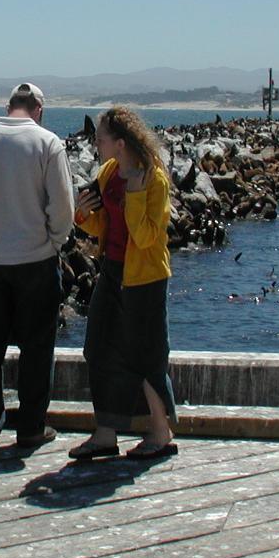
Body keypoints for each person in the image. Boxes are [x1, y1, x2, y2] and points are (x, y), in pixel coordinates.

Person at [0, 82, 74, 449]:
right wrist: (52, 242)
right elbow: (63, 207)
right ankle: (31, 427)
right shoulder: (47, 143)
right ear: (39, 110)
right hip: (36, 260)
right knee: (37, 348)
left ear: (8, 106)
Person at [68, 106, 178, 461]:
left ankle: (161, 432)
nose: (95, 143)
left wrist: (133, 195)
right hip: (113, 270)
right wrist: (82, 215)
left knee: (146, 357)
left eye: (99, 139)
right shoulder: (109, 172)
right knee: (98, 348)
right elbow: (104, 227)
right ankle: (105, 434)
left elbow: (146, 238)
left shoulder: (154, 179)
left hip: (145, 278)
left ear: (119, 142)